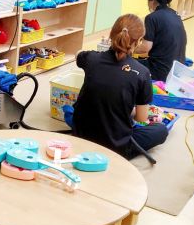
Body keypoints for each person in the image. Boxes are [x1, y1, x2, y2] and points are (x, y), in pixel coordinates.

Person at [72, 14, 168, 159]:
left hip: (81, 136)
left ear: (111, 35)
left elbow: (78, 54)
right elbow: (141, 118)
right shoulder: (142, 73)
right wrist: (126, 108)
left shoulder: (91, 59)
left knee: (70, 111)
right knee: (160, 130)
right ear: (139, 41)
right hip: (115, 146)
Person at [134, 0, 187, 82]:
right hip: (178, 71)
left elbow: (145, 47)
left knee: (125, 63)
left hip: (160, 72)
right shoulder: (175, 14)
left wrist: (128, 49)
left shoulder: (152, 18)